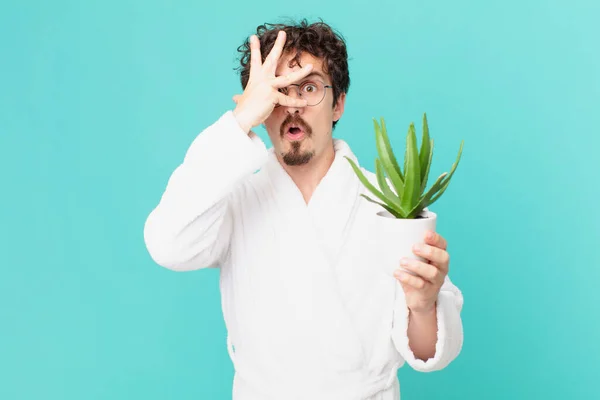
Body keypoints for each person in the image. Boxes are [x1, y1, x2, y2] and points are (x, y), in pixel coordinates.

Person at [143, 18, 463, 400]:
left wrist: (425, 305)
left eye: (309, 88)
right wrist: (240, 120)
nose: (292, 106)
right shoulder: (231, 194)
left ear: (338, 104)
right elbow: (168, 245)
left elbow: (428, 354)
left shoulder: (391, 201)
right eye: (278, 91)